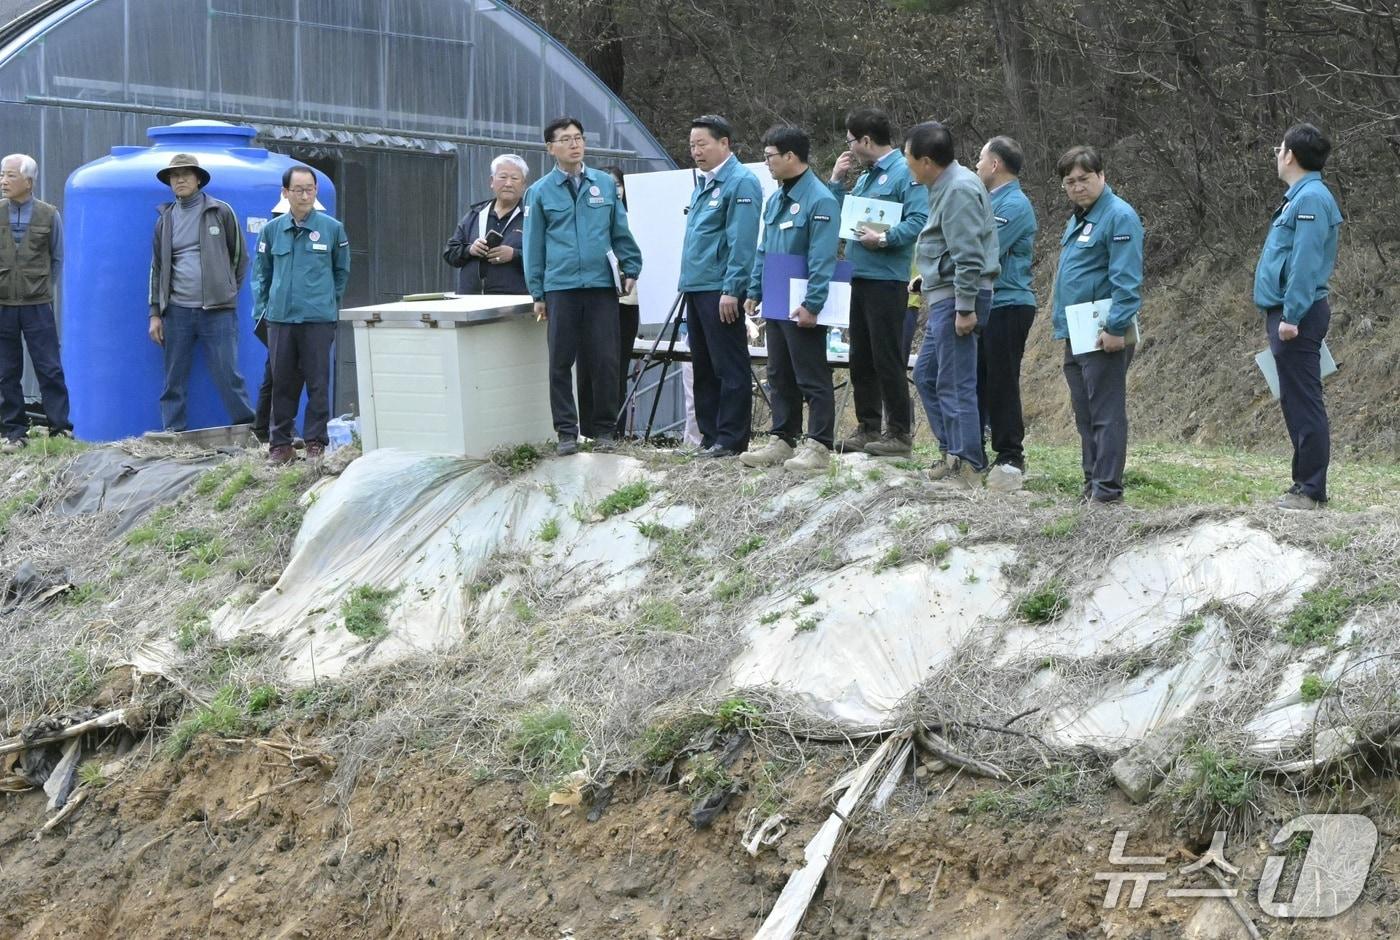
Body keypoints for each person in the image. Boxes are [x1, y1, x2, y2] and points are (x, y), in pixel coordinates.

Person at [522, 117, 642, 455]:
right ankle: (566, 433)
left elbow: (620, 229)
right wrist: (538, 293)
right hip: (561, 286)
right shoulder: (539, 192)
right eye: (566, 139)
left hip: (600, 284)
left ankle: (604, 430)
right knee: (561, 361)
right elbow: (533, 246)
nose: (575, 144)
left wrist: (631, 264)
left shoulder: (603, 184)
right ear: (551, 148)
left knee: (605, 358)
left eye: (579, 138)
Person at [827, 108, 928, 457]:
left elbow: (920, 219)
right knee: (861, 357)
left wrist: (884, 239)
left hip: (887, 279)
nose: (850, 147)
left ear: (866, 140)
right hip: (859, 275)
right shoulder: (867, 176)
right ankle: (867, 427)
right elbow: (840, 218)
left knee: (887, 357)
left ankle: (899, 433)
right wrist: (837, 182)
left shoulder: (903, 173)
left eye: (852, 141)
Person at [905, 122, 1000, 490]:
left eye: (909, 159)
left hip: (961, 299)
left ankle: (969, 465)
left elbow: (968, 254)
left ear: (926, 161)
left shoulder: (958, 189)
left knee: (956, 381)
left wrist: (965, 308)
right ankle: (952, 452)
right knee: (928, 375)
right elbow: (946, 245)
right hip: (945, 293)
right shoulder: (944, 185)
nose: (908, 166)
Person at [1253, 123, 1342, 511]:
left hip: (1298, 316)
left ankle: (1311, 489)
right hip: (1290, 313)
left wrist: (1291, 315)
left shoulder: (1311, 199)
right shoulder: (1300, 197)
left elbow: (1305, 263)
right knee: (1293, 399)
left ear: (1290, 155)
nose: (1277, 155)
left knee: (1304, 400)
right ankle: (1302, 484)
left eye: (1279, 148)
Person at [740, 126, 840, 474]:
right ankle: (783, 438)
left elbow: (823, 257)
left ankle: (819, 444)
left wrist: (813, 303)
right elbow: (764, 249)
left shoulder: (820, 199)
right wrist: (755, 290)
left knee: (811, 373)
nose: (766, 163)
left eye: (770, 156)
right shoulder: (776, 198)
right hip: (777, 297)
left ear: (790, 157)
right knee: (779, 372)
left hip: (803, 303)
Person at [1050, 145, 1144, 504]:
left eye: (1084, 179)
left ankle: (1107, 491)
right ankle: (1092, 483)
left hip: (1104, 333)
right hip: (1077, 332)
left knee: (1105, 413)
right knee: (1085, 414)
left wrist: (1117, 327)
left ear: (1102, 176)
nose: (1077, 186)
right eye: (1070, 181)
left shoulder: (1118, 216)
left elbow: (1126, 279)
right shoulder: (1080, 217)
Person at [147, 153, 255, 432]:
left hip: (218, 311)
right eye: (174, 175)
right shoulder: (165, 219)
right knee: (173, 378)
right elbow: (157, 268)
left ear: (198, 179)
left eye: (186, 173)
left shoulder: (220, 211)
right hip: (177, 311)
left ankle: (248, 428)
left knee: (228, 374)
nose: (179, 179)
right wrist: (155, 314)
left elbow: (240, 257)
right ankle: (173, 433)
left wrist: (227, 290)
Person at [252, 165, 350, 464]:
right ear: (286, 193)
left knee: (318, 382)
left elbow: (341, 272)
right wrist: (264, 311)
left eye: (310, 189)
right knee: (282, 381)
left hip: (318, 318)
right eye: (298, 190)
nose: (305, 195)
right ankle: (280, 445)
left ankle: (315, 442)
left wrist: (326, 305)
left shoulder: (333, 229)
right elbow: (262, 274)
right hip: (281, 318)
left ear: (316, 191)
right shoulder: (272, 230)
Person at [678, 114, 763, 458]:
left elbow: (741, 242)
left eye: (703, 144)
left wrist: (733, 288)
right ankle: (710, 436)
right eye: (692, 146)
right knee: (703, 366)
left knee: (729, 365)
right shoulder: (704, 183)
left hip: (720, 288)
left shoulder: (741, 182)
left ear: (724, 143)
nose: (696, 151)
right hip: (697, 287)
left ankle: (731, 438)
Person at [974, 136, 1039, 491]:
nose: (977, 166)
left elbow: (986, 252)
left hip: (1008, 303)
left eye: (981, 159)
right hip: (986, 303)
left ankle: (1010, 456)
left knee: (1001, 380)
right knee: (980, 380)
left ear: (996, 164)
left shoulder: (1014, 205)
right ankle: (973, 454)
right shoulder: (987, 201)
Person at [0, 153, 72, 451]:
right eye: (2, 175)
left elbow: (57, 258)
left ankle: (60, 429)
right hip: (3, 304)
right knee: (6, 371)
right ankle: (13, 432)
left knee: (49, 367)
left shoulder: (48, 214)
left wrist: (40, 289)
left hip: (37, 305)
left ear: (28, 181)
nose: (3, 181)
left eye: (10, 176)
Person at [578, 165, 643, 439]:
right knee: (585, 368)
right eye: (609, 184)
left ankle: (611, 429)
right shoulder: (588, 216)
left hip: (626, 303)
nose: (614, 189)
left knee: (615, 368)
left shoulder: (637, 214)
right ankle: (586, 429)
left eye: (618, 184)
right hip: (592, 297)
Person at [443, 153, 528, 295]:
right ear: (491, 181)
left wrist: (515, 255)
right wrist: (470, 250)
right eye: (502, 177)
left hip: (514, 302)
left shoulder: (531, 216)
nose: (508, 183)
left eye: (514, 178)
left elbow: (547, 258)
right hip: (471, 300)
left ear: (524, 184)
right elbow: (449, 252)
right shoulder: (475, 214)